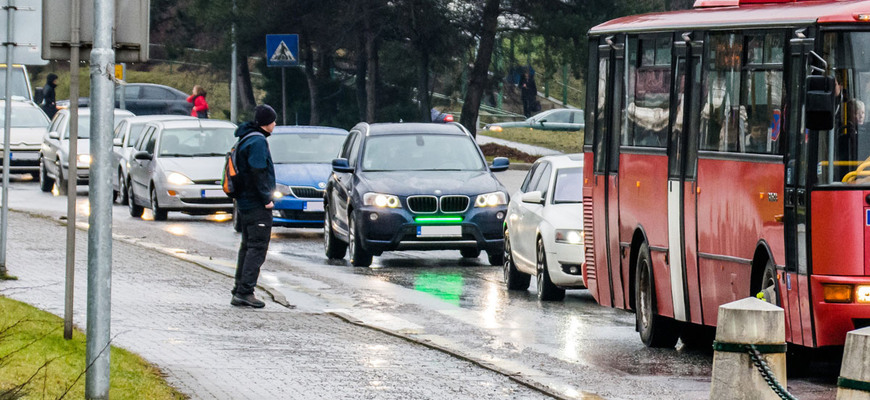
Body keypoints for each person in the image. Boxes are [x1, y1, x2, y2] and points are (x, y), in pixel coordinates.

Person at [230, 104, 277, 308]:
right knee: (257, 248)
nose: (275, 124)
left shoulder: (247, 137)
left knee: (247, 246)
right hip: (255, 203)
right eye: (274, 121)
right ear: (267, 123)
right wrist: (266, 198)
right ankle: (245, 291)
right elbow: (258, 171)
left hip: (244, 202)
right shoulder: (257, 142)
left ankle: (239, 289)